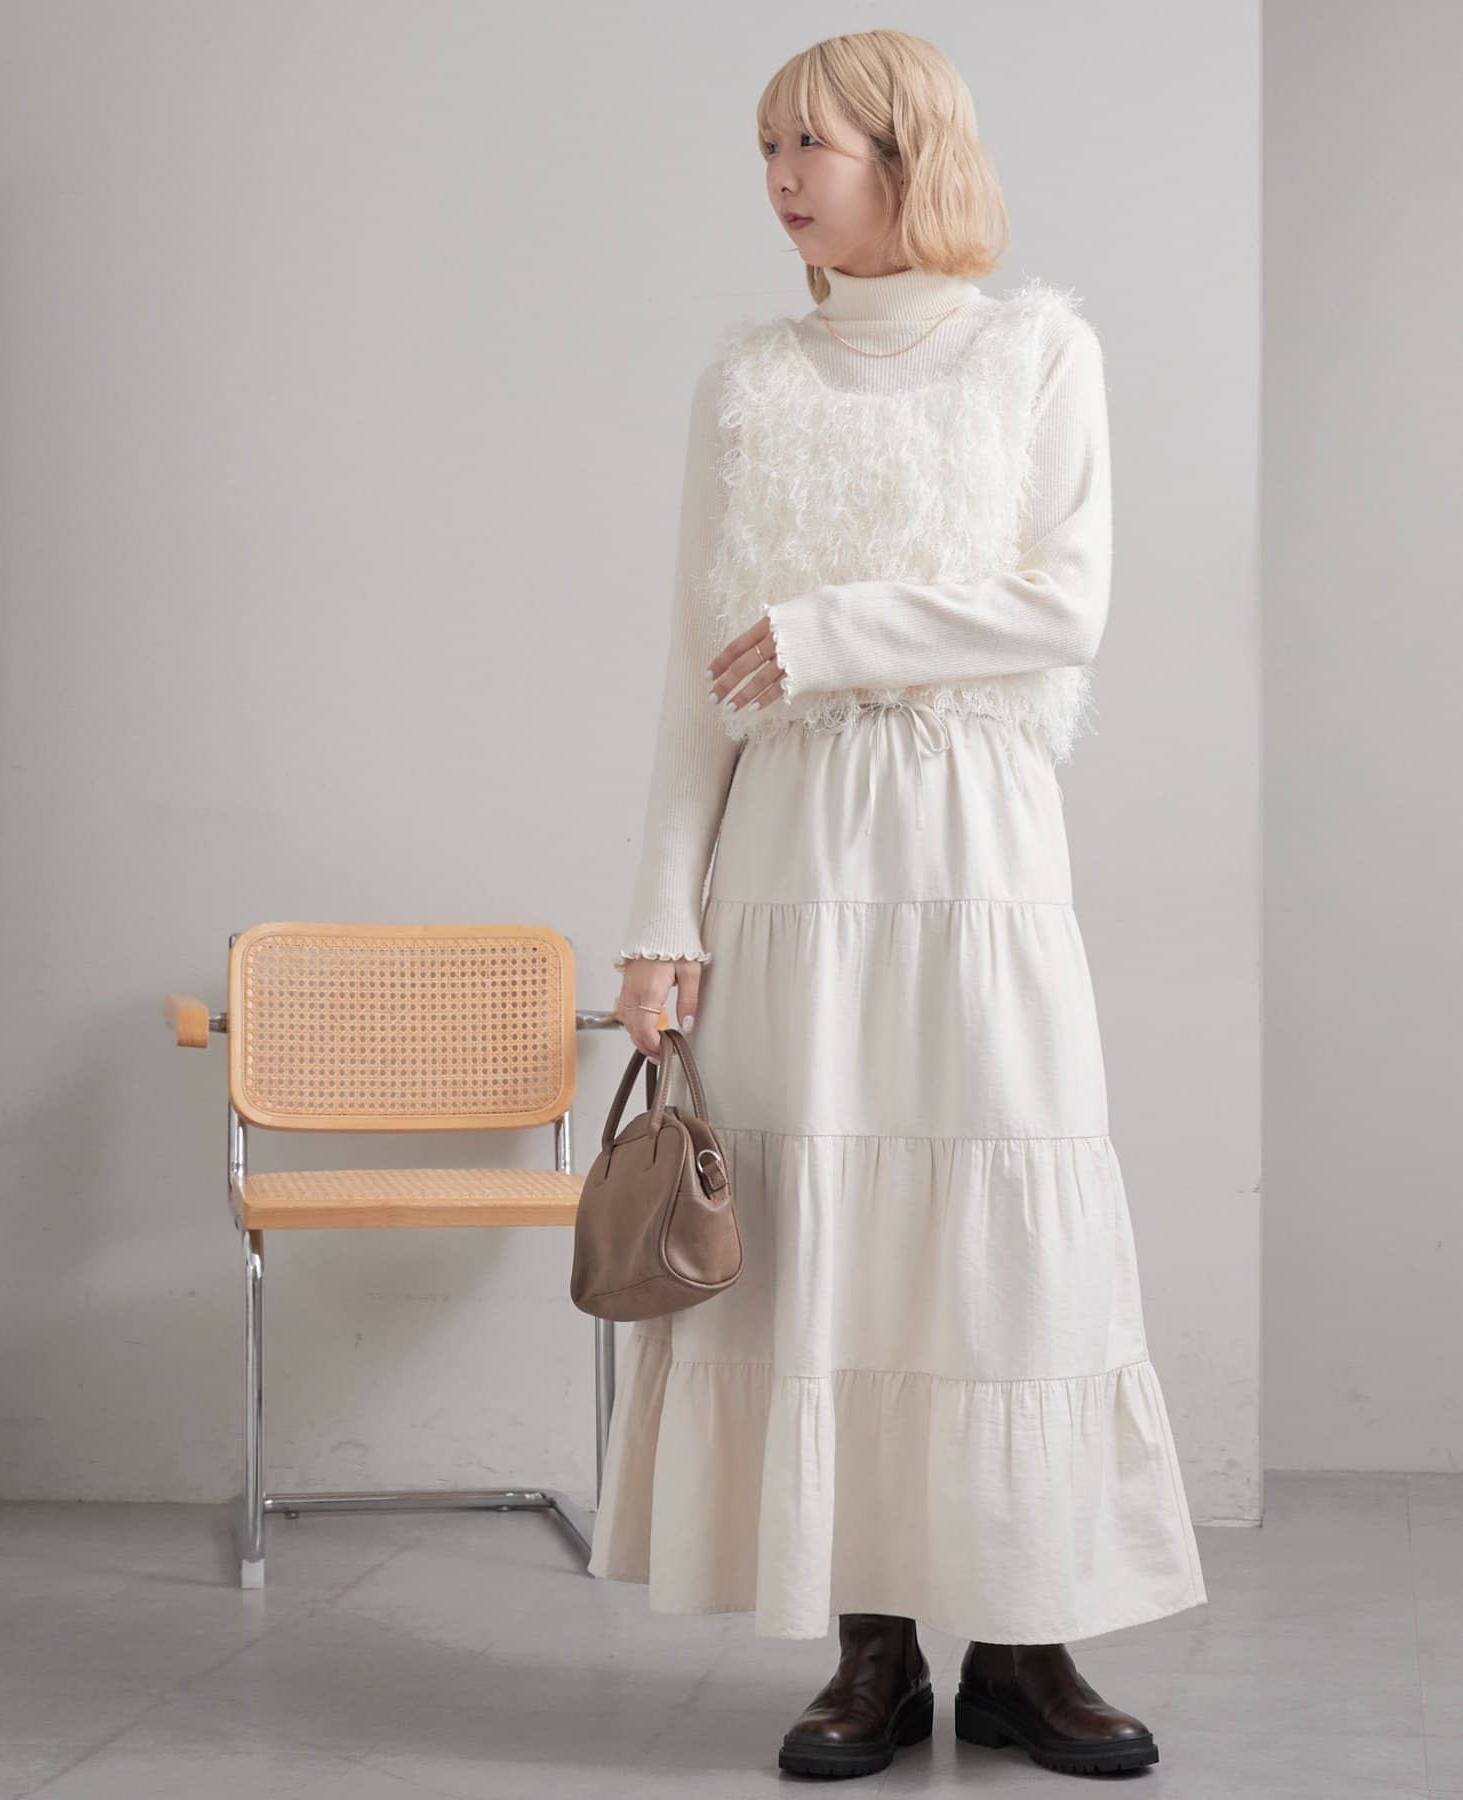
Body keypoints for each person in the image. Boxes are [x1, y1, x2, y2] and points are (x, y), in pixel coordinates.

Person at [589, 27, 1207, 1781]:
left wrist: (834, 630)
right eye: (766, 146)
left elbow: (1065, 604)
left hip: (974, 843)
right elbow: (693, 679)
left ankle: (1022, 1645)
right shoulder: (749, 379)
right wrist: (660, 920)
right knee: (827, 1240)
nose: (782, 177)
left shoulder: (1039, 349)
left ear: (907, 153)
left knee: (1000, 1239)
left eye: (816, 142)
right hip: (793, 860)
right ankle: (871, 1653)